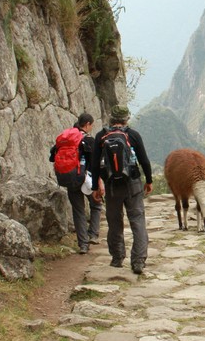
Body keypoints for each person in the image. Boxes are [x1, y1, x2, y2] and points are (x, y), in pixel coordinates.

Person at [89, 105, 153, 275]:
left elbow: (94, 165)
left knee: (114, 222)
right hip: (132, 183)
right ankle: (138, 261)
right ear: (126, 119)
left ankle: (117, 258)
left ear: (111, 118)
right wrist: (149, 180)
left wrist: (95, 187)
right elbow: (144, 161)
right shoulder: (133, 135)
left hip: (111, 186)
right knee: (137, 220)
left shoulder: (101, 136)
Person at [50, 113, 103, 254]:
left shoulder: (66, 139)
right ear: (87, 124)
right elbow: (95, 163)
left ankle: (83, 245)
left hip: (70, 177)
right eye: (91, 125)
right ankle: (93, 234)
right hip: (86, 179)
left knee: (78, 211)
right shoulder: (88, 139)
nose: (91, 128)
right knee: (96, 204)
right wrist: (99, 182)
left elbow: (52, 156)